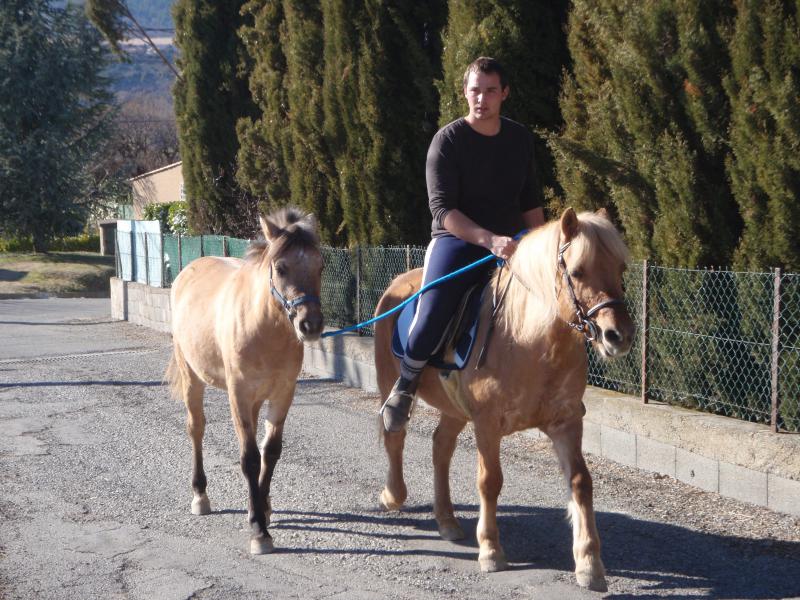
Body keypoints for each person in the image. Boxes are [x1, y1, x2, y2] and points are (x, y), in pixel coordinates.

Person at [381, 56, 545, 433]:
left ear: (504, 94)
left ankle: (559, 385)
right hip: (458, 241)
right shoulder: (448, 140)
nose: (482, 99)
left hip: (512, 245)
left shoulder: (520, 139)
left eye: (490, 91)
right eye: (475, 90)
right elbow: (442, 210)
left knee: (557, 299)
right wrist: (489, 240)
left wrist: (539, 247)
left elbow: (530, 202)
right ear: (465, 93)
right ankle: (405, 385)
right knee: (432, 311)